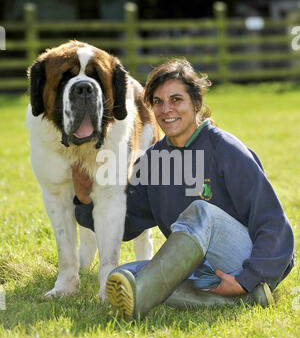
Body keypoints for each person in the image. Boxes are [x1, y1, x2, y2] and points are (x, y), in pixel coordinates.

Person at [73, 59, 294, 320]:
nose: (166, 110)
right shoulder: (153, 161)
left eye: (176, 99)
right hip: (197, 268)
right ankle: (244, 298)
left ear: (196, 103)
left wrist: (248, 276)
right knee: (122, 276)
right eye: (157, 102)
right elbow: (123, 224)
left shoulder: (225, 150)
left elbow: (274, 224)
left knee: (200, 211)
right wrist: (85, 198)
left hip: (247, 260)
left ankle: (143, 298)